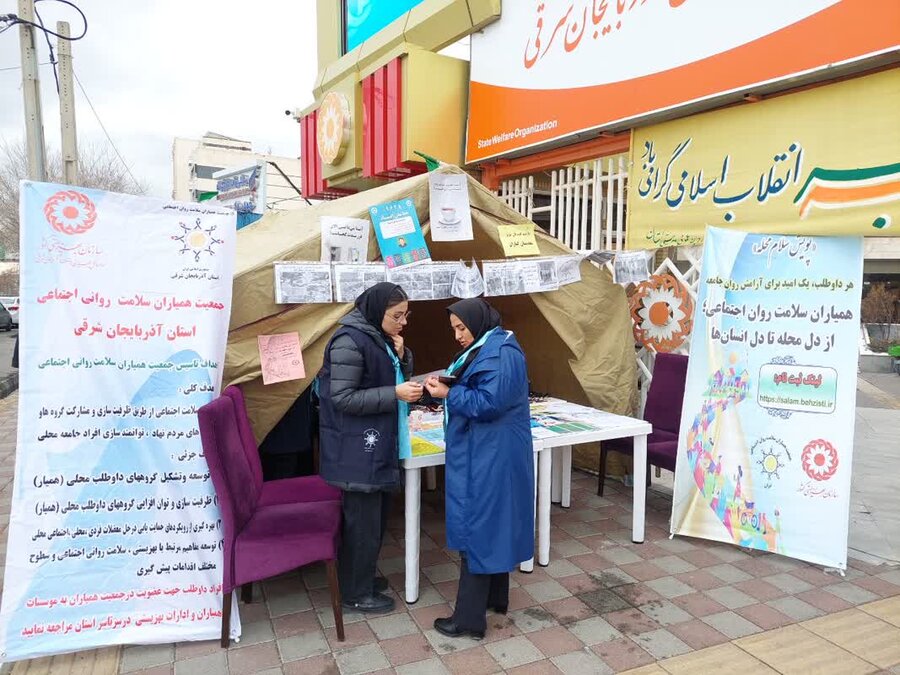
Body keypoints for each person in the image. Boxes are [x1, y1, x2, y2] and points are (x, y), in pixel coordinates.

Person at [424, 298, 534, 639]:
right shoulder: (492, 346)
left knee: (478, 527)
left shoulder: (499, 353)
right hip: (491, 449)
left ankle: (468, 620)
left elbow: (488, 403)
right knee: (494, 524)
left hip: (490, 453)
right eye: (454, 329)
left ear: (477, 322)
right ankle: (494, 599)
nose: (458, 335)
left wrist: (447, 393)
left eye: (461, 328)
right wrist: (446, 389)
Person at [317, 282, 423, 614]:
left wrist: (402, 356)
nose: (403, 322)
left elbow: (388, 376)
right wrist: (394, 394)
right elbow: (342, 398)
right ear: (377, 312)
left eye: (406, 315)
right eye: (397, 316)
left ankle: (359, 579)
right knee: (361, 523)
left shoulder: (377, 335)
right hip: (355, 448)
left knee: (372, 520)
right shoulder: (349, 341)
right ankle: (355, 593)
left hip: (372, 443)